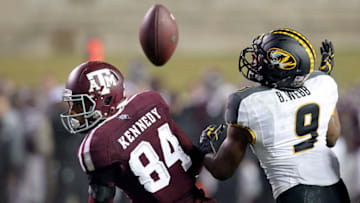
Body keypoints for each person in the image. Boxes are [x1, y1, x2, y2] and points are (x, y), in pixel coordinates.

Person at [199, 28, 351, 202]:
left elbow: (222, 170)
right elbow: (332, 137)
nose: (254, 61)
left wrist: (204, 151)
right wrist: (323, 91)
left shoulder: (248, 103)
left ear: (281, 66)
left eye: (260, 57)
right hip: (336, 192)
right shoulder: (324, 84)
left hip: (296, 195)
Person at [60, 61, 216, 203]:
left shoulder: (98, 143)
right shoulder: (151, 100)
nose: (74, 113)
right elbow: (193, 160)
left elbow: (102, 198)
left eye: (81, 106)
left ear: (105, 100)